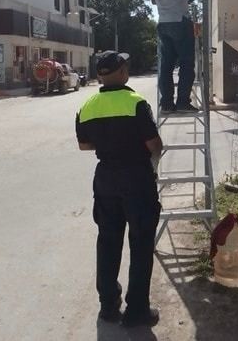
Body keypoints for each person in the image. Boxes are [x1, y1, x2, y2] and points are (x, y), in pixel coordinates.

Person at [75, 50, 162, 327]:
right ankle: (137, 310)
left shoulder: (87, 105)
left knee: (108, 241)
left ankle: (108, 305)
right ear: (122, 72)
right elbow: (154, 145)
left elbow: (84, 145)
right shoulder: (135, 102)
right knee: (141, 241)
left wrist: (109, 144)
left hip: (105, 178)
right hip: (136, 177)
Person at [150, 0, 204, 113]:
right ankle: (182, 102)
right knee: (187, 63)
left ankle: (166, 104)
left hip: (163, 24)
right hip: (180, 22)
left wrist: (173, 0)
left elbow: (153, 0)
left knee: (166, 66)